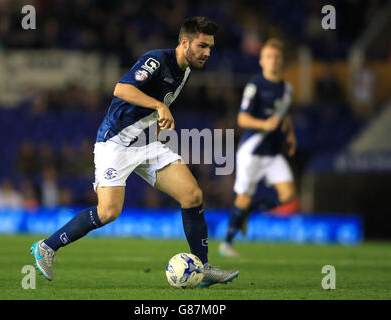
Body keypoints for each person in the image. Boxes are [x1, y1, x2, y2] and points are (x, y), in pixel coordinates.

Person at [30, 16, 239, 287]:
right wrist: (160, 107)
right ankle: (46, 246)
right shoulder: (156, 60)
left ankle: (203, 268)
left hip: (146, 143)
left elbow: (147, 109)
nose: (207, 53)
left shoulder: (184, 71)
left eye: (210, 47)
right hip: (115, 142)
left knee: (192, 194)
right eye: (202, 46)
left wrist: (157, 119)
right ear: (184, 42)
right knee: (108, 212)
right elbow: (122, 88)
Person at [219, 38, 297, 257]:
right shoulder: (256, 85)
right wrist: (264, 124)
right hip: (252, 149)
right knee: (243, 197)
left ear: (282, 61)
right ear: (262, 61)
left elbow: (284, 114)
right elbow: (242, 119)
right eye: (269, 57)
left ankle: (249, 213)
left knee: (288, 193)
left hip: (273, 152)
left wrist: (290, 135)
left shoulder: (287, 89)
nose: (273, 61)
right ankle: (227, 243)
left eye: (277, 57)